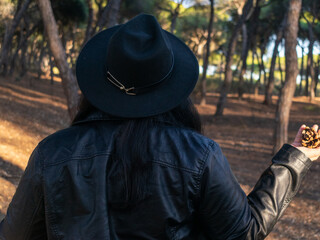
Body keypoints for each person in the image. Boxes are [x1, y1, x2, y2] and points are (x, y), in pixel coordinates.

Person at [0, 13, 319, 240]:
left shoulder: (52, 153)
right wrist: (294, 158)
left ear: (101, 81)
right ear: (172, 87)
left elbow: (14, 234)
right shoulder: (199, 155)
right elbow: (243, 231)